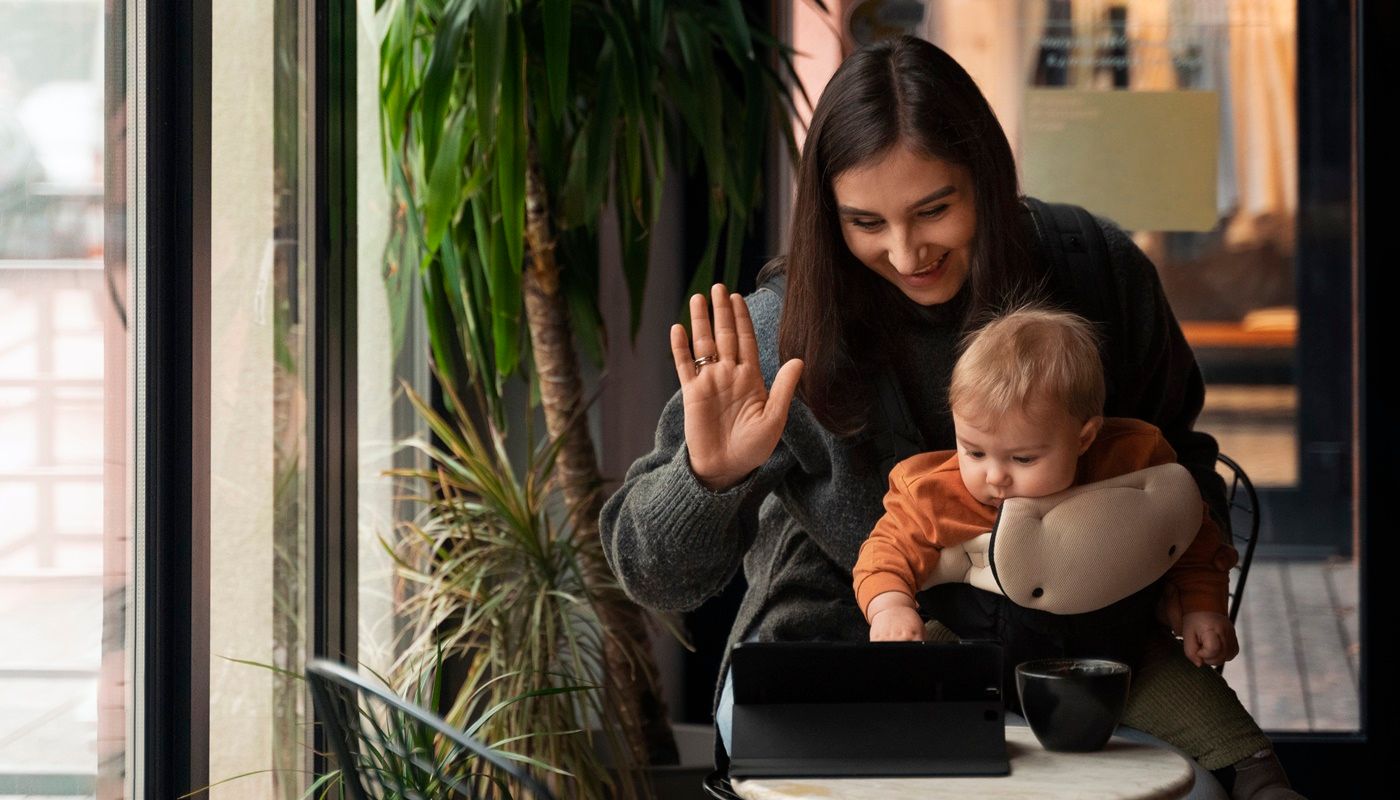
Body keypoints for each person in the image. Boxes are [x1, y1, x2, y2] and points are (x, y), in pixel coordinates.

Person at [599, 35, 1299, 799]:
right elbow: (649, 574)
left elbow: (1184, 459)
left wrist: (1179, 582)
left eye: (935, 209)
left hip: (1084, 661)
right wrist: (709, 476)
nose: (905, 253)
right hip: (843, 665)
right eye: (865, 223)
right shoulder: (781, 334)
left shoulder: (1094, 272)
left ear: (987, 180)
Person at [855, 306, 1239, 672]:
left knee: (1234, 741)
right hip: (978, 645)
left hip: (1126, 654)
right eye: (974, 451)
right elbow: (885, 552)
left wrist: (1202, 607)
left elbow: (1189, 533)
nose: (994, 476)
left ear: (1084, 438)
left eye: (1023, 459)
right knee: (910, 714)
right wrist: (891, 607)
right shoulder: (938, 494)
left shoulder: (1131, 461)